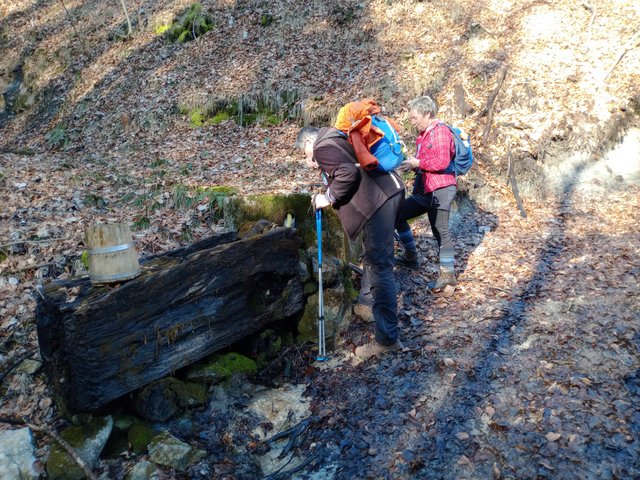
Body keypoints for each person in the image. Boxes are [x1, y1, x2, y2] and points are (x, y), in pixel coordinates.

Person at [295, 126, 405, 359]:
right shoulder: (335, 138)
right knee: (376, 261)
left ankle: (387, 339)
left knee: (380, 267)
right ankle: (372, 310)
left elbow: (347, 173)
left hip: (379, 202)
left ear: (308, 143)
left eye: (305, 153)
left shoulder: (321, 146)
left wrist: (327, 198)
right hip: (389, 193)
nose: (308, 158)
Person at [396, 96, 457, 290]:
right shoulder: (424, 135)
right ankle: (411, 256)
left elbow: (442, 162)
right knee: (397, 214)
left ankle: (448, 275)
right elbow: (427, 163)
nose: (412, 122)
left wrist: (418, 163)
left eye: (415, 117)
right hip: (425, 190)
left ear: (428, 114)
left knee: (440, 230)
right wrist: (413, 165)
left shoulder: (440, 131)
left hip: (442, 189)